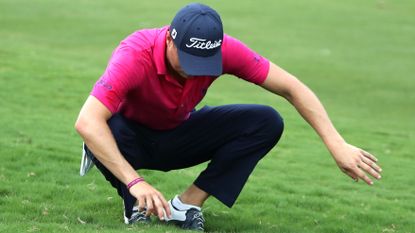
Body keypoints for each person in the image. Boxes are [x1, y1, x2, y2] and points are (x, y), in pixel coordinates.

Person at [74, 3, 382, 232]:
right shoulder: (135, 54)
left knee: (266, 121)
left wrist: (336, 143)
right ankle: (135, 202)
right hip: (129, 138)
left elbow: (292, 87)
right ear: (169, 39)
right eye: (188, 59)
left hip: (178, 131)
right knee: (101, 128)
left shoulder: (223, 52)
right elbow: (86, 120)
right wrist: (136, 182)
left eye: (204, 61)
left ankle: (186, 205)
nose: (195, 69)